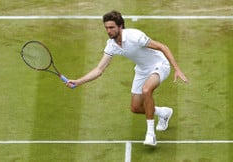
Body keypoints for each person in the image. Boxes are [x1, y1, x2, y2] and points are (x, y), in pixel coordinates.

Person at [66, 10, 188, 146]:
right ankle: (163, 113)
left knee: (146, 90)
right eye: (106, 28)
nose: (108, 31)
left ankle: (150, 134)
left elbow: (162, 47)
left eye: (111, 27)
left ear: (120, 26)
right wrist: (78, 81)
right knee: (135, 108)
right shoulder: (111, 45)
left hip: (159, 65)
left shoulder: (135, 36)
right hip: (142, 70)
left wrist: (177, 69)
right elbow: (99, 70)